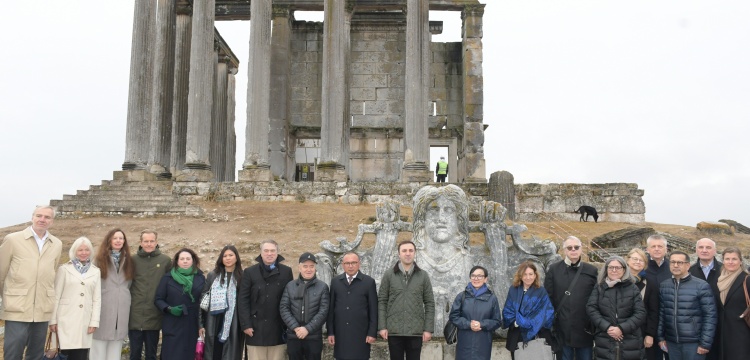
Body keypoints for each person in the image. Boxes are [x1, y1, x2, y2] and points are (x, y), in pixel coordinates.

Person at [0, 206, 63, 360]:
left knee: (36, 353)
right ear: (32, 217)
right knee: (13, 350)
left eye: (47, 217)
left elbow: (52, 273)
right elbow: (1, 272)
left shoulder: (57, 244)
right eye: (39, 216)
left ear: (52, 221)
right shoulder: (13, 239)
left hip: (42, 307)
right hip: (17, 306)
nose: (42, 220)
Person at [378, 240, 436, 360]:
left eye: (411, 250)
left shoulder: (423, 275)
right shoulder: (389, 275)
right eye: (404, 251)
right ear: (399, 254)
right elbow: (382, 301)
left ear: (415, 253)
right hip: (394, 331)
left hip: (415, 331)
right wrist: (382, 326)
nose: (408, 253)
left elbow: (429, 303)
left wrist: (428, 329)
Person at [238, 239, 294, 360]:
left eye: (272, 251)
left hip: (278, 330)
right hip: (255, 330)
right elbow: (243, 300)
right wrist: (245, 324)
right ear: (261, 253)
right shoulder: (249, 272)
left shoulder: (286, 272)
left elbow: (290, 299)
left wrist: (289, 325)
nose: (269, 253)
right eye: (266, 251)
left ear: (277, 252)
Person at [544, 235, 598, 360]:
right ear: (564, 250)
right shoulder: (553, 269)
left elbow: (596, 298)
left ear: (581, 249)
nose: (573, 250)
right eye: (569, 247)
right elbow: (548, 298)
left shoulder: (592, 270)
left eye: (576, 247)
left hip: (585, 329)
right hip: (562, 328)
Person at [49, 236, 102, 360]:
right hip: (65, 322)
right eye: (80, 250)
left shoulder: (96, 271)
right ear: (74, 251)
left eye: (87, 250)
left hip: (85, 322)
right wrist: (52, 320)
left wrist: (94, 321)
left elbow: (97, 299)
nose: (84, 253)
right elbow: (56, 296)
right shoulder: (64, 269)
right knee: (63, 355)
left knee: (81, 356)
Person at [657, 251, 717, 360]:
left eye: (680, 262)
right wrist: (660, 337)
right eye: (673, 262)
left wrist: (705, 343)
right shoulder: (664, 286)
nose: (675, 265)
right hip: (671, 342)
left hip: (694, 344)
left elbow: (710, 316)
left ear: (688, 265)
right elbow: (662, 313)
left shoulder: (701, 286)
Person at [587, 256, 647, 360]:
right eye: (610, 267)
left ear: (624, 269)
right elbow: (591, 309)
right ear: (606, 269)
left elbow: (640, 312)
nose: (614, 270)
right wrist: (607, 327)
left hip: (630, 340)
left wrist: (621, 329)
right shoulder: (599, 287)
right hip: (604, 339)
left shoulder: (632, 288)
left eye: (618, 267)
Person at [155, 248, 206, 360]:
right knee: (173, 354)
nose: (185, 261)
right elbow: (158, 299)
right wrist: (169, 308)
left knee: (192, 354)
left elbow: (205, 301)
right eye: (182, 259)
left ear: (193, 260)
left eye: (188, 258)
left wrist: (202, 324)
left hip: (193, 323)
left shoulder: (200, 277)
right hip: (173, 322)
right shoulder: (167, 278)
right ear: (177, 261)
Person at [92, 229, 135, 360]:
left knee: (115, 353)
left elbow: (129, 284)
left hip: (121, 312)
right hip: (103, 311)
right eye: (115, 238)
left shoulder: (129, 261)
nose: (118, 241)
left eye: (121, 238)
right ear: (109, 240)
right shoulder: (98, 260)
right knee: (98, 351)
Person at [129, 229, 171, 360]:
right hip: (135, 316)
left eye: (151, 241)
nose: (148, 244)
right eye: (145, 241)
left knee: (151, 354)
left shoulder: (165, 261)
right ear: (140, 243)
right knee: (134, 353)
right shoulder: (132, 260)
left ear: (156, 242)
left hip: (154, 315)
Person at [327, 252, 378, 360]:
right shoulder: (335, 282)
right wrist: (330, 332)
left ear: (359, 264)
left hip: (361, 334)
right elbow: (331, 309)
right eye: (347, 263)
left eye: (354, 263)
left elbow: (373, 310)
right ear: (343, 265)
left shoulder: (368, 282)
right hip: (341, 334)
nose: (350, 266)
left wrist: (372, 332)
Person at [280, 252, 330, 360]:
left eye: (311, 266)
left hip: (313, 337)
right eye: (305, 266)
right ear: (299, 267)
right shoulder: (290, 286)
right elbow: (284, 308)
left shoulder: (322, 287)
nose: (309, 269)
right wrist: (296, 328)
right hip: (294, 336)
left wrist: (307, 329)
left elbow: (323, 311)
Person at [199, 245, 245, 360]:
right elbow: (203, 300)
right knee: (214, 353)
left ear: (236, 258)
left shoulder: (243, 276)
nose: (228, 258)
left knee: (231, 354)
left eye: (231, 255)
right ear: (221, 258)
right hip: (214, 320)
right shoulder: (213, 275)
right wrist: (201, 324)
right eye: (225, 256)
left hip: (234, 322)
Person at [501, 261, 554, 360]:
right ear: (520, 275)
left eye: (530, 274)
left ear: (535, 275)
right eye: (525, 274)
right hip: (517, 335)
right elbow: (507, 311)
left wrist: (529, 323)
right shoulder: (513, 290)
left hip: (537, 334)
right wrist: (516, 322)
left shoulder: (541, 291)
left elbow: (547, 313)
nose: (528, 277)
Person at [450, 265, 502, 360]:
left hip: (483, 344)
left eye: (480, 276)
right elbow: (453, 317)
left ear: (485, 279)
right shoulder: (462, 296)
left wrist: (482, 324)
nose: (476, 278)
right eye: (473, 276)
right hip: (464, 343)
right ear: (470, 278)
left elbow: (497, 321)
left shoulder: (492, 298)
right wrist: (468, 324)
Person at [713, 248, 750, 360]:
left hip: (741, 333)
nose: (730, 262)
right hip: (721, 333)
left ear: (740, 261)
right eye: (727, 259)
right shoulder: (718, 279)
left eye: (734, 259)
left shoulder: (747, 279)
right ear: (723, 261)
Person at [688, 238, 722, 360]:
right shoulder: (689, 271)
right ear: (696, 250)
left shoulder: (725, 270)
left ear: (715, 250)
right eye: (701, 247)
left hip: (721, 325)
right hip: (696, 327)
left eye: (708, 247)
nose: (704, 250)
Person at [627, 248, 659, 356]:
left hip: (641, 331)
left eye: (641, 260)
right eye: (635, 259)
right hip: (621, 331)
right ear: (627, 260)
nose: (637, 262)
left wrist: (650, 334)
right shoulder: (618, 280)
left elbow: (653, 310)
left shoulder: (650, 283)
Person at [644, 234, 671, 360]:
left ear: (666, 249)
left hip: (670, 322)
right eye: (653, 246)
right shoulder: (642, 268)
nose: (656, 249)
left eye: (660, 246)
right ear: (647, 249)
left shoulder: (673, 267)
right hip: (648, 323)